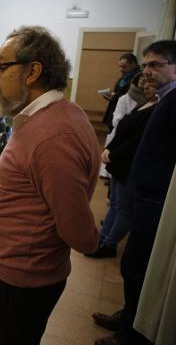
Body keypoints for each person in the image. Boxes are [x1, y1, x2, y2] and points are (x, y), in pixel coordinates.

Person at [0, 26, 100, 345]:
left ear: (32, 71)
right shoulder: (52, 116)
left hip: (18, 281)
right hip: (11, 271)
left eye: (0, 67)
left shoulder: (52, 136)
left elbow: (80, 234)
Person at [93, 40, 176, 345]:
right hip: (145, 192)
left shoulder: (173, 100)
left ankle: (132, 334)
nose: (148, 71)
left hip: (157, 198)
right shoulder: (159, 98)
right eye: (146, 65)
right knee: (133, 263)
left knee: (138, 264)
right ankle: (129, 315)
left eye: (156, 64)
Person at [86, 78, 156, 259]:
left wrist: (113, 153)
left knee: (124, 209)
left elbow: (136, 141)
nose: (146, 86)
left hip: (128, 164)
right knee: (115, 204)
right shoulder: (144, 104)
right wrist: (109, 149)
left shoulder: (155, 109)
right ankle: (102, 237)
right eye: (145, 83)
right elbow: (123, 128)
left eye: (151, 84)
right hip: (118, 162)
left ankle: (109, 244)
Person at [101, 53, 141, 131]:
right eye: (120, 67)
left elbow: (132, 97)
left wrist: (114, 96)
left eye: (123, 66)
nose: (121, 69)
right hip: (114, 111)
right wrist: (109, 96)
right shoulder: (124, 77)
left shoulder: (138, 78)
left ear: (133, 64)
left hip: (125, 114)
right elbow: (119, 92)